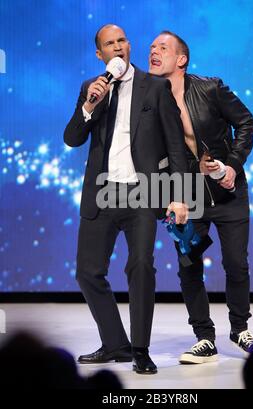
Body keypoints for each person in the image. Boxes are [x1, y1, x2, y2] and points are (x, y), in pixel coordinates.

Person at [64, 24, 188, 374]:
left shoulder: (155, 87)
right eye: (109, 43)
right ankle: (115, 343)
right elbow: (72, 137)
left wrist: (178, 196)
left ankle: (140, 349)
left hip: (142, 194)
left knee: (140, 267)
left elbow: (176, 146)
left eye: (121, 41)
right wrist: (90, 105)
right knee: (87, 273)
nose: (117, 47)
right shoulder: (92, 88)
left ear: (128, 46)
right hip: (102, 193)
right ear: (99, 54)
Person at [149, 31, 253, 364]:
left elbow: (246, 122)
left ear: (181, 59)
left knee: (236, 264)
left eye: (162, 48)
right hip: (186, 198)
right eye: (151, 47)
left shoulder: (210, 88)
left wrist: (232, 166)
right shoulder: (150, 100)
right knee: (189, 266)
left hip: (227, 192)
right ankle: (204, 338)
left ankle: (240, 329)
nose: (153, 51)